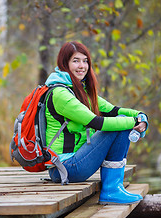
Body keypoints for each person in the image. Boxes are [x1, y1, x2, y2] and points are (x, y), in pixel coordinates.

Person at [44, 41, 148, 205]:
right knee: (120, 125)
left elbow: (113, 110)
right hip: (65, 168)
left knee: (121, 121)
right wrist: (132, 122)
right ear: (65, 63)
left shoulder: (78, 90)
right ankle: (111, 190)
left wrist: (141, 116)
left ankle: (114, 189)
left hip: (75, 162)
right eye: (76, 60)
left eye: (85, 61)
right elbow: (97, 123)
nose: (82, 66)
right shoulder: (60, 94)